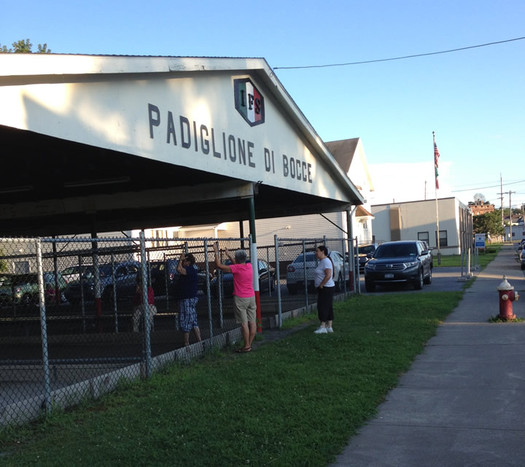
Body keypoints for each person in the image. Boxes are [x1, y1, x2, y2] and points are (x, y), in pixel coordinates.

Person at [213, 242, 256, 353]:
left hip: (241, 298)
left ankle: (246, 346)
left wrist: (216, 252)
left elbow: (219, 266)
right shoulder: (249, 266)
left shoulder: (237, 268)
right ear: (245, 258)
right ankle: (248, 345)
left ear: (237, 259)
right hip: (251, 297)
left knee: (244, 323)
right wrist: (229, 256)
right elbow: (236, 265)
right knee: (252, 322)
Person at [176, 252, 202, 346]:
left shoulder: (190, 269)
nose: (183, 262)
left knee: (186, 319)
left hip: (188, 298)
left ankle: (186, 343)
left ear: (189, 262)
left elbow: (179, 269)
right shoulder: (192, 269)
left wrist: (180, 259)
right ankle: (199, 341)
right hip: (188, 297)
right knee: (193, 319)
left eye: (185, 261)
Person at [313, 245, 335, 334]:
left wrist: (321, 284)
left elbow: (328, 275)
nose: (316, 253)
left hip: (326, 288)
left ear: (322, 252)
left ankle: (322, 326)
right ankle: (329, 326)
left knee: (322, 306)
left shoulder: (325, 261)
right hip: (327, 288)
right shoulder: (323, 261)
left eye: (317, 251)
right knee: (328, 306)